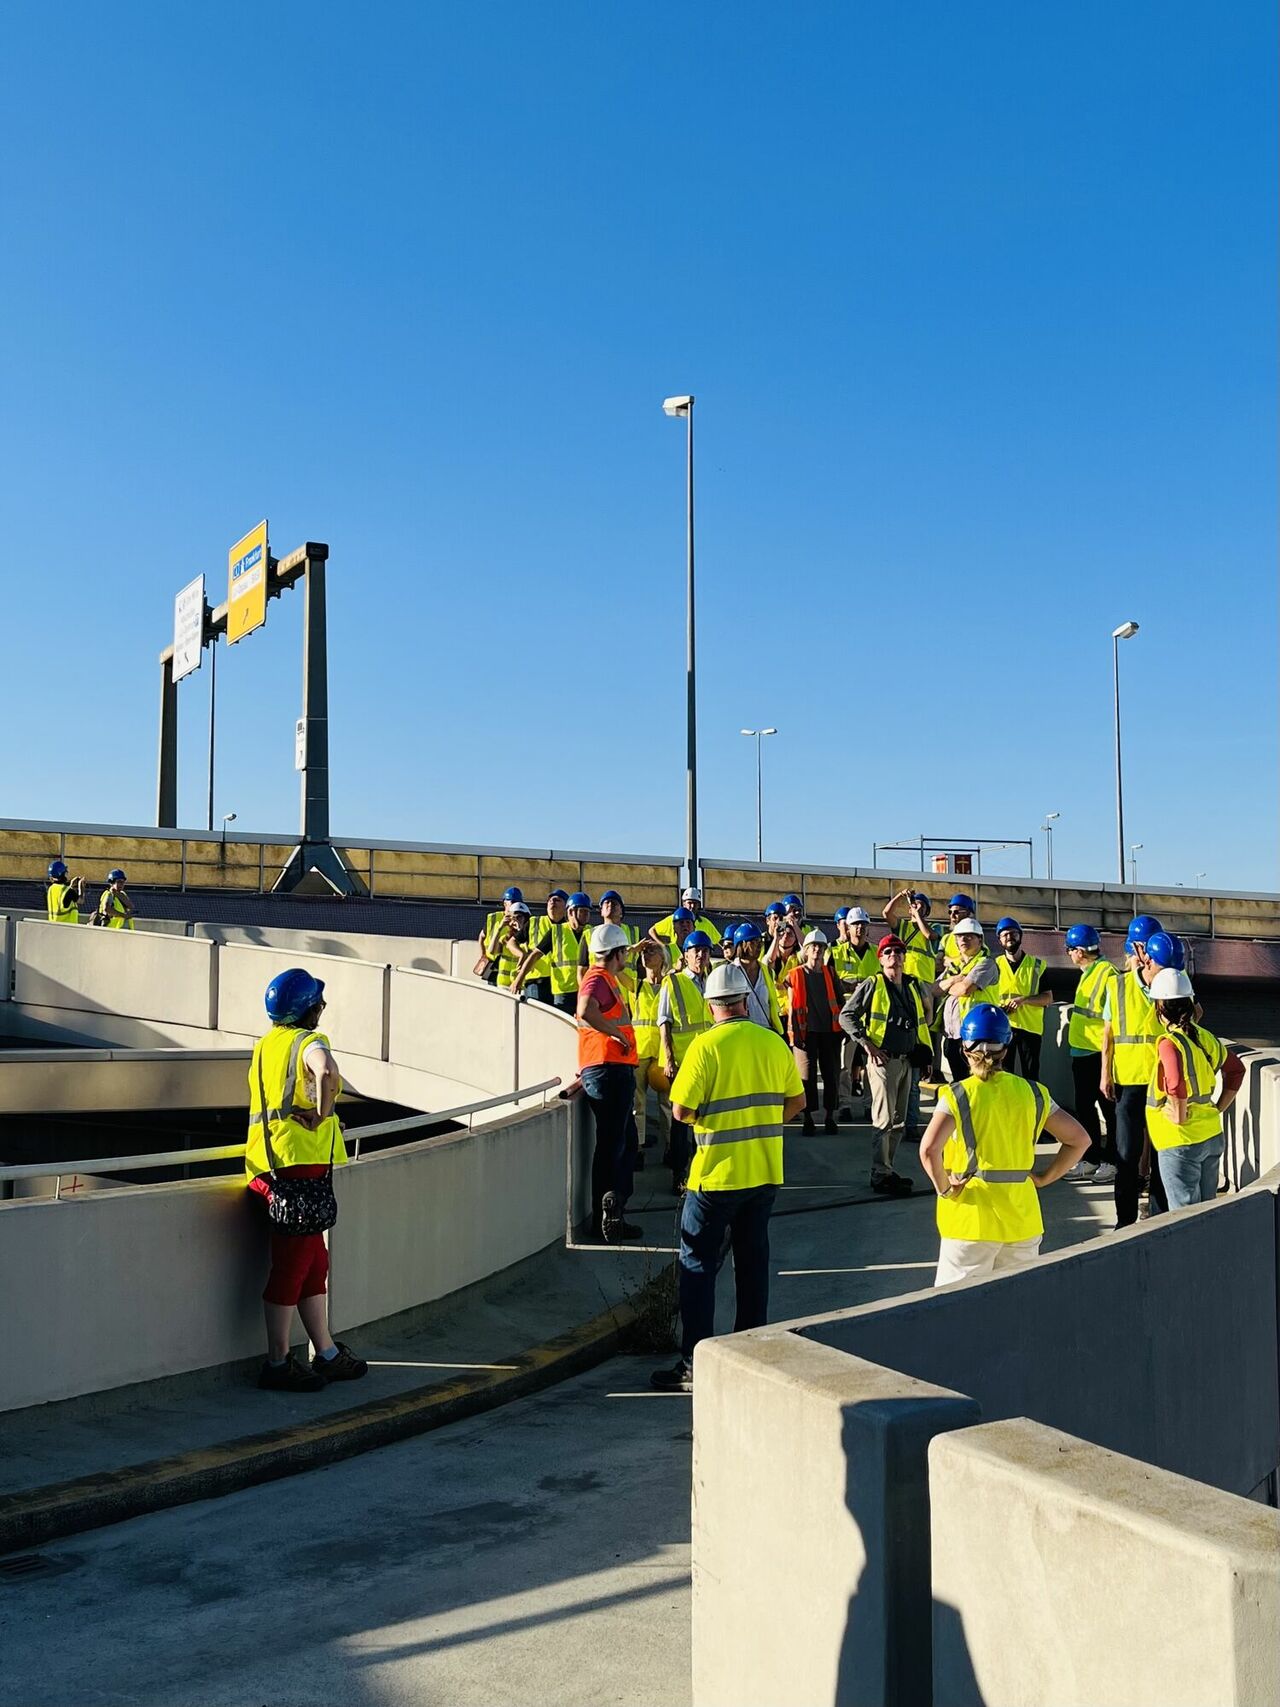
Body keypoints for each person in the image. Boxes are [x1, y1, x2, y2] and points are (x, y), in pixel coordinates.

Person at [650, 962, 806, 1392]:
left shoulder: (705, 1047)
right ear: (744, 1000)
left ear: (712, 1003)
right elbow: (797, 1101)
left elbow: (680, 1111)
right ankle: (751, 1356)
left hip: (716, 1177)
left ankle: (695, 1366)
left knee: (697, 1267)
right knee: (752, 1266)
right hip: (763, 1174)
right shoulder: (773, 1043)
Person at [246, 968, 367, 1391]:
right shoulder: (309, 1041)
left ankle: (327, 1353)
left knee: (315, 1263)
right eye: (319, 1003)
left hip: (272, 1166)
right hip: (297, 1170)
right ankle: (277, 1363)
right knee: (294, 1266)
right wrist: (322, 1114)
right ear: (308, 1008)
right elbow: (327, 1071)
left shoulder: (267, 1045)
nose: (322, 1009)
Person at [920, 1006, 1090, 1286]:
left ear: (964, 1049)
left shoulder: (957, 1095)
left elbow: (928, 1150)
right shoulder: (1034, 1093)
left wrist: (946, 1189)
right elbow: (1079, 1139)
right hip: (1022, 1219)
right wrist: (1046, 1178)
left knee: (956, 1311)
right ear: (1006, 1049)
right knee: (1019, 1306)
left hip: (969, 1221)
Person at [840, 934, 933, 1195]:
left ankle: (888, 1169)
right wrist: (867, 1044)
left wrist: (926, 1056)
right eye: (888, 952)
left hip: (906, 1060)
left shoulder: (912, 986)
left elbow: (920, 1024)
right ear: (880, 958)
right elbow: (846, 1016)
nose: (894, 955)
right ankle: (879, 1173)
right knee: (883, 1120)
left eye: (898, 951)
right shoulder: (873, 984)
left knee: (899, 1120)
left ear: (904, 957)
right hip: (883, 1061)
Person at [1145, 969, 1244, 1211]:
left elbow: (1176, 1083)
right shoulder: (1205, 1037)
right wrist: (1217, 1108)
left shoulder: (1170, 1043)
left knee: (1185, 1217)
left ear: (1160, 1007)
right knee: (1206, 1211)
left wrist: (1178, 1115)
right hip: (1210, 1135)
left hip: (1180, 1141)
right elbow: (1236, 1070)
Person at [577, 923, 642, 1242]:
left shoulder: (605, 979)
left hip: (606, 1070)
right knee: (613, 1145)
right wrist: (615, 1034)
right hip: (609, 1070)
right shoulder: (598, 977)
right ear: (617, 953)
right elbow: (585, 1010)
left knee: (623, 1143)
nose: (627, 955)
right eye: (625, 951)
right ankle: (609, 1213)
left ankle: (614, 1208)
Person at [1101, 915, 1168, 1225]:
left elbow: (1192, 1017)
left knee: (1161, 1155)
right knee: (1126, 1156)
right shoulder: (1117, 985)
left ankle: (1158, 1216)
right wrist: (1105, 1074)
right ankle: (1124, 1221)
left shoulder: (1171, 982)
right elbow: (1108, 1034)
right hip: (1128, 1082)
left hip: (1162, 1084)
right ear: (1139, 948)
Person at [1063, 923, 1119, 1184]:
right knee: (1085, 1109)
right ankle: (1091, 1158)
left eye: (1069, 949)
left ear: (1080, 951)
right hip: (1082, 1052)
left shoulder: (1106, 973)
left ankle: (1111, 1161)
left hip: (1098, 1053)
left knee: (1109, 1111)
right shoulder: (1089, 972)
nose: (1068, 954)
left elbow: (1113, 1019)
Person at [659, 930, 714, 1189]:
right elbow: (664, 1022)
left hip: (707, 1062)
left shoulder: (711, 982)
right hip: (682, 1062)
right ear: (686, 955)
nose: (701, 955)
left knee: (704, 1118)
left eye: (705, 950)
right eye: (696, 951)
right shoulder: (673, 982)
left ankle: (700, 1169)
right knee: (681, 1121)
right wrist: (669, 1059)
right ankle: (678, 1174)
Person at [784, 930, 845, 1135]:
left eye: (821, 947)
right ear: (806, 950)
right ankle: (808, 1118)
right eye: (813, 947)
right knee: (806, 1076)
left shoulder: (831, 973)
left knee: (831, 1074)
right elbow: (792, 1006)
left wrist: (843, 1028)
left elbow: (840, 1001)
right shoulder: (795, 975)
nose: (817, 950)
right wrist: (794, 1034)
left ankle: (829, 1117)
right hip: (805, 1032)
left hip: (830, 1032)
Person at [936, 918, 1000, 1084]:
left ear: (980, 939)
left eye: (969, 936)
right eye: (960, 937)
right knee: (960, 1082)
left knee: (976, 1081)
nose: (963, 940)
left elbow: (964, 990)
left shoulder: (986, 963)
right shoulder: (955, 967)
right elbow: (934, 990)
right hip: (953, 1035)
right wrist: (955, 979)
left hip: (976, 1036)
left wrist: (949, 987)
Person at [831, 907, 879, 1112]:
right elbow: (831, 982)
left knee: (871, 1064)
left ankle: (870, 1104)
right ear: (847, 928)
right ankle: (845, 1104)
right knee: (845, 1064)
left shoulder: (877, 953)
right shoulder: (835, 952)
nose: (859, 928)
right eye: (855, 924)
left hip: (871, 1017)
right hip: (847, 1016)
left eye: (863, 924)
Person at [993, 918, 1050, 1080]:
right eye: (1005, 935)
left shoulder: (1038, 965)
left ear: (1020, 936)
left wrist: (1023, 1000)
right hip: (1003, 1027)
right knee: (1003, 1074)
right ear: (999, 940)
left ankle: (1031, 1104)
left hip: (1029, 1028)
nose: (1009, 937)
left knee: (1031, 1075)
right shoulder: (994, 965)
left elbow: (1047, 998)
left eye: (1013, 933)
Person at [631, 940, 673, 1158]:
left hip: (662, 1053)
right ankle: (637, 1146)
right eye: (644, 952)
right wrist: (633, 951)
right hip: (639, 1052)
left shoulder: (670, 985)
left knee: (667, 1102)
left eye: (652, 951)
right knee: (638, 1102)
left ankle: (670, 1146)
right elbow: (616, 969)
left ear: (663, 958)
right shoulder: (635, 985)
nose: (647, 955)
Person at [513, 889, 569, 1004]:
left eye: (557, 900)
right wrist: (522, 954)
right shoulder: (534, 922)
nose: (552, 901)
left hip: (560, 984)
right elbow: (511, 942)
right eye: (550, 900)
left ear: (566, 907)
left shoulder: (569, 928)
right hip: (536, 981)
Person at [580, 890, 641, 993]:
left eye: (615, 903)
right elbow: (581, 971)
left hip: (626, 994)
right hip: (600, 993)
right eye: (606, 902)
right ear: (601, 911)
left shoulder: (633, 932)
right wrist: (586, 994)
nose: (610, 904)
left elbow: (641, 967)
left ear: (622, 911)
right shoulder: (589, 934)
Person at [732, 923, 783, 1033]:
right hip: (742, 1033)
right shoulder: (730, 972)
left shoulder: (767, 971)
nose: (759, 945)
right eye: (754, 942)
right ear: (742, 945)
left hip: (767, 1031)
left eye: (760, 941)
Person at [883, 888, 939, 987]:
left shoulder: (935, 927)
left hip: (925, 981)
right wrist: (900, 895)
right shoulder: (903, 926)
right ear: (910, 909)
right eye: (916, 904)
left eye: (922, 905)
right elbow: (886, 913)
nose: (918, 907)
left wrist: (917, 914)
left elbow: (929, 935)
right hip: (904, 978)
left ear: (927, 911)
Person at [650, 887, 721, 960]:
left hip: (695, 960)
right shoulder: (673, 919)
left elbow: (719, 941)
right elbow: (652, 931)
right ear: (684, 903)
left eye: (695, 903)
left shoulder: (705, 923)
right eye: (689, 903)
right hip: (675, 960)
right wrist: (663, 946)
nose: (692, 906)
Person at [478, 887, 524, 986]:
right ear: (505, 903)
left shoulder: (521, 918)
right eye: (513, 902)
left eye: (518, 902)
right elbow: (482, 936)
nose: (515, 905)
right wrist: (483, 954)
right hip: (492, 965)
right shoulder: (493, 918)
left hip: (509, 967)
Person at [493, 902, 533, 990]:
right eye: (513, 918)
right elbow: (492, 951)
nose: (516, 920)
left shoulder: (530, 938)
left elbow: (529, 953)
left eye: (519, 917)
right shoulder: (505, 938)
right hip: (503, 984)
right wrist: (499, 929)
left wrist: (521, 930)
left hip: (520, 985)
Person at [939, 893, 979, 965]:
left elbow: (971, 961)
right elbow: (939, 963)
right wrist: (959, 959)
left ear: (968, 913)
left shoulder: (976, 938)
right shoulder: (946, 939)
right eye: (950, 912)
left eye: (956, 912)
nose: (952, 915)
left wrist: (948, 960)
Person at [45, 858, 85, 924]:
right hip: (67, 928)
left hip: (53, 926)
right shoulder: (68, 891)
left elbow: (63, 900)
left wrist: (71, 886)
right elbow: (81, 901)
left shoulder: (51, 889)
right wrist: (81, 887)